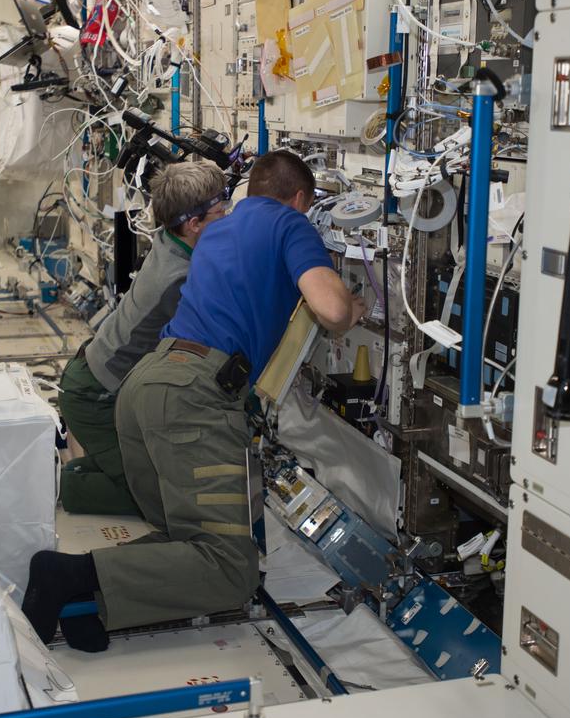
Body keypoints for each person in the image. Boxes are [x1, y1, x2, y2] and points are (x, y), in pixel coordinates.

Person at [24, 150, 365, 651]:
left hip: (146, 387)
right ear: (299, 199)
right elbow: (331, 308)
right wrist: (355, 309)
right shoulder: (290, 224)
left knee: (185, 539)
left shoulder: (216, 232)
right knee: (230, 568)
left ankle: (89, 604)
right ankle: (65, 574)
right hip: (193, 398)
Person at [58, 159, 230, 516]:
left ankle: (87, 468)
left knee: (146, 472)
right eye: (221, 212)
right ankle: (63, 487)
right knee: (160, 502)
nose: (229, 219)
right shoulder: (179, 279)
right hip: (94, 396)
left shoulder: (169, 238)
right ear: (194, 224)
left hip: (94, 373)